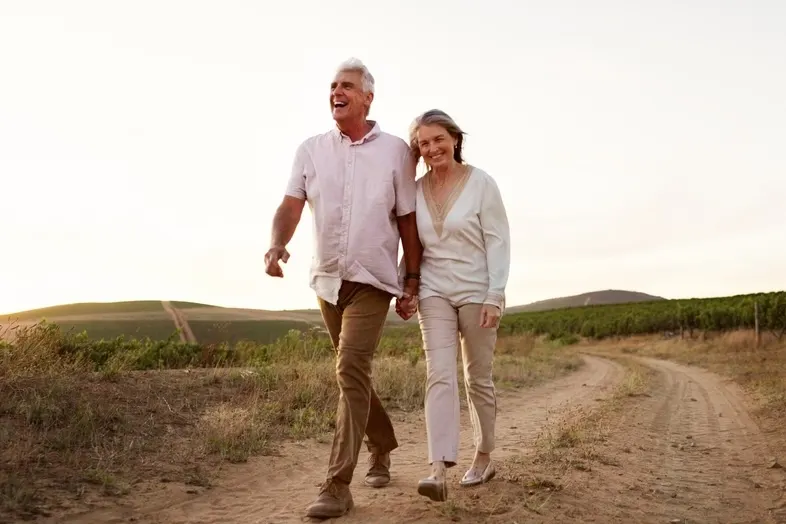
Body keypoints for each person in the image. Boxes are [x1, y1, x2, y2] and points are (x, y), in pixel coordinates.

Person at [264, 58, 422, 519]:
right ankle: (382, 443)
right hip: (328, 281)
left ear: (368, 98)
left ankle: (336, 485)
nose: (337, 91)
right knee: (351, 373)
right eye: (333, 85)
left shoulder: (396, 152)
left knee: (350, 368)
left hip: (372, 280)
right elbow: (291, 205)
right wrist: (277, 244)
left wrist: (411, 280)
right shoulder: (311, 150)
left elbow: (408, 220)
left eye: (347, 86)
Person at [399, 109, 510, 502]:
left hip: (477, 290)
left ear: (455, 139)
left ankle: (484, 455)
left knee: (477, 377)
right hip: (434, 290)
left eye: (439, 139)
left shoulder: (482, 183)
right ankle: (437, 468)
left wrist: (495, 295)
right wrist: (405, 286)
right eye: (424, 143)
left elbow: (498, 240)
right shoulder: (414, 190)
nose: (432, 148)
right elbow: (412, 243)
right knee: (439, 374)